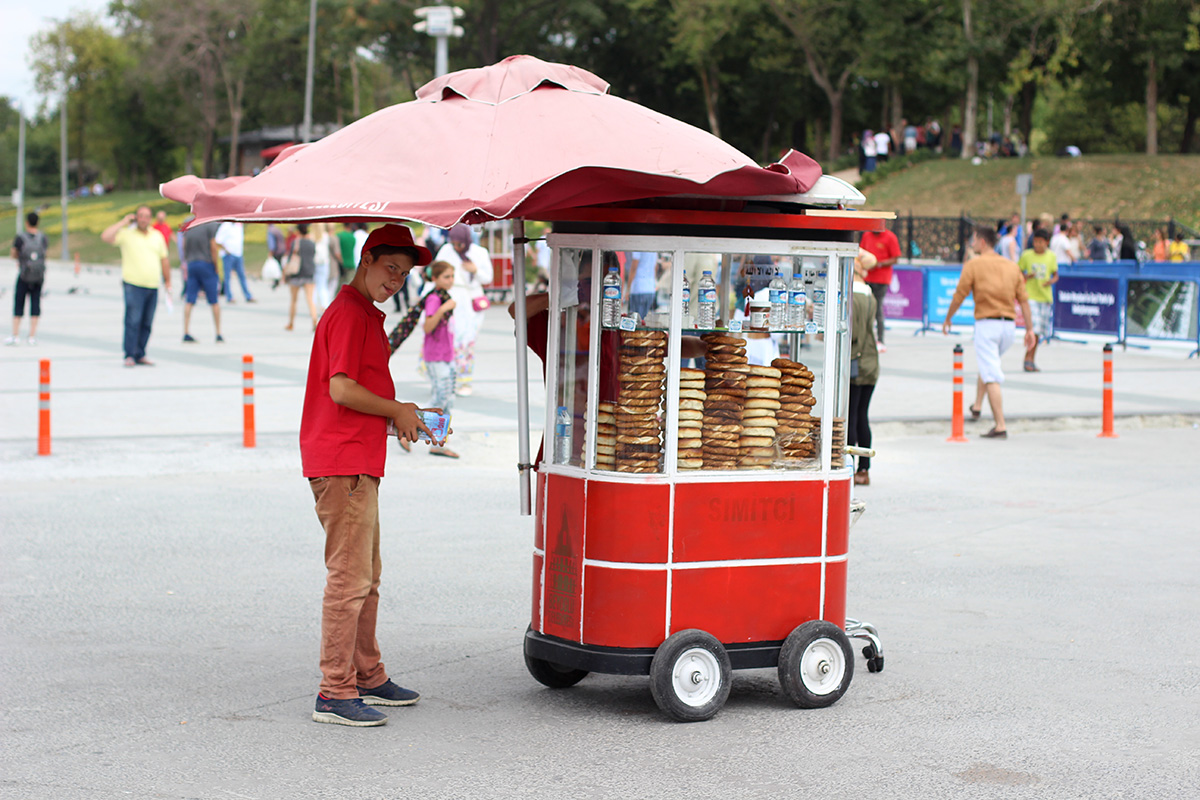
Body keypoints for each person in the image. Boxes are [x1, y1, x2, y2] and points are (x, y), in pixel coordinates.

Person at [301, 223, 439, 727]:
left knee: (367, 577)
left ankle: (367, 675)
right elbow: (340, 389)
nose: (396, 280)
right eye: (390, 269)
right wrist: (396, 408)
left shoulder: (364, 315)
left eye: (403, 274)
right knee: (350, 578)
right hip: (342, 465)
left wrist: (402, 416)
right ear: (366, 259)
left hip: (355, 460)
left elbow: (357, 396)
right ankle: (334, 691)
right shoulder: (349, 315)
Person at [942, 225, 1036, 439]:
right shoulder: (1012, 266)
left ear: (982, 242)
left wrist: (948, 318)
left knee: (991, 373)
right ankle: (977, 405)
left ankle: (1000, 425)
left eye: (974, 240)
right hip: (1009, 327)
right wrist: (1029, 329)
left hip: (987, 325)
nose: (972, 244)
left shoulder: (974, 265)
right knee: (989, 363)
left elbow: (959, 294)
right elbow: (1024, 300)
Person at [101, 205, 171, 367]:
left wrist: (168, 281)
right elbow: (105, 236)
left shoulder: (157, 236)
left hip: (152, 285)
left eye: (147, 216)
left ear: (150, 218)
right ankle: (129, 354)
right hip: (133, 285)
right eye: (140, 216)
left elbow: (164, 259)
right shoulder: (127, 234)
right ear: (136, 217)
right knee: (133, 320)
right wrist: (124, 222)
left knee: (147, 322)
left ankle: (141, 353)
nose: (143, 219)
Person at [434, 223, 493, 396]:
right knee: (447, 340)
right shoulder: (446, 250)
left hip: (471, 300)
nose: (457, 247)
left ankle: (464, 380)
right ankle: (446, 379)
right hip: (450, 299)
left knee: (467, 342)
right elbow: (435, 273)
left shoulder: (480, 252)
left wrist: (475, 270)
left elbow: (487, 277)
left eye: (459, 243)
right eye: (454, 243)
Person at [420, 261, 459, 458]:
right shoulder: (435, 299)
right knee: (440, 399)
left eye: (452, 276)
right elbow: (427, 327)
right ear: (434, 278)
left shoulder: (445, 297)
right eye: (446, 277)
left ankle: (439, 442)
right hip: (436, 356)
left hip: (447, 355)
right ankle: (410, 429)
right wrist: (444, 308)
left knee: (447, 399)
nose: (450, 280)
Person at [849, 250, 879, 486]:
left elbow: (854, 335)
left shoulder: (852, 296)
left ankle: (851, 466)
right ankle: (864, 468)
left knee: (851, 415)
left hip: (855, 361)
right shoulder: (870, 295)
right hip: (871, 360)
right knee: (862, 415)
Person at [1017, 229, 1058, 372]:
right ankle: (1027, 359)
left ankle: (1031, 359)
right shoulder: (1027, 255)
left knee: (1039, 330)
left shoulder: (1051, 256)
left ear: (1047, 242)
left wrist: (1050, 282)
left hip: (1045, 297)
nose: (1037, 244)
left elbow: (1055, 275)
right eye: (1035, 241)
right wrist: (1026, 277)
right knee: (1033, 327)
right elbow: (1018, 272)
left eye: (1040, 242)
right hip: (1030, 296)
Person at [180, 218, 224, 343]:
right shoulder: (210, 223)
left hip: (192, 263)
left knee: (190, 299)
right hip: (207, 264)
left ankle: (186, 330)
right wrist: (216, 266)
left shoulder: (188, 223)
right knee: (214, 300)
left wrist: (187, 260)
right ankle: (218, 332)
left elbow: (183, 244)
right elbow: (213, 246)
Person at [8, 211, 48, 346]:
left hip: (24, 275)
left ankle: (15, 335)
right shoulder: (42, 237)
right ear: (38, 222)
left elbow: (13, 254)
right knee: (35, 303)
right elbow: (44, 254)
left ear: (26, 222)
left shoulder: (20, 237)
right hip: (38, 276)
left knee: (19, 303)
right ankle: (32, 336)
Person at [859, 225, 900, 352]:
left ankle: (880, 339)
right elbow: (861, 252)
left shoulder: (890, 237)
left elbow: (895, 258)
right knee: (865, 308)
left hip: (881, 279)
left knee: (877, 309)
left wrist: (879, 263)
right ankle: (864, 338)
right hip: (866, 277)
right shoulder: (866, 235)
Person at [285, 224, 319, 332]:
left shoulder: (295, 242)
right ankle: (314, 320)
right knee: (310, 299)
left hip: (296, 273)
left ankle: (291, 323)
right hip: (309, 273)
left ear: (298, 232)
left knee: (294, 300)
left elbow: (290, 257)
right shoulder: (312, 243)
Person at [215, 221, 254, 303]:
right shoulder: (225, 226)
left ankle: (248, 295)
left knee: (242, 276)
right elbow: (218, 240)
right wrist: (226, 250)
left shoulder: (239, 224)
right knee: (227, 277)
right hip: (228, 255)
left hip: (238, 254)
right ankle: (229, 296)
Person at [624, 251, 658, 321]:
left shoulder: (638, 247)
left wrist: (628, 289)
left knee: (634, 322)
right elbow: (655, 267)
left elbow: (634, 267)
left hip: (638, 287)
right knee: (644, 322)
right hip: (650, 288)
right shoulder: (654, 248)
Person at [311, 222, 334, 312]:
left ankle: (313, 304)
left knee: (315, 285)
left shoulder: (312, 237)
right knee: (323, 284)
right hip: (324, 262)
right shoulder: (325, 236)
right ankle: (325, 304)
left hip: (315, 262)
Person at [266, 223, 287, 289]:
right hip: (282, 249)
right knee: (280, 265)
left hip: (276, 251)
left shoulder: (270, 231)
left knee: (276, 266)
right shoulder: (277, 229)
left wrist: (270, 253)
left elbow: (272, 244)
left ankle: (277, 280)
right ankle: (279, 280)